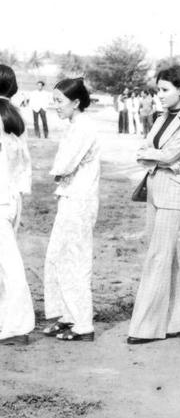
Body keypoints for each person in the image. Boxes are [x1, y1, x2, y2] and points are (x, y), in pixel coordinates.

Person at [127, 66, 180, 344]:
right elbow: (145, 149)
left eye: (164, 89)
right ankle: (175, 322)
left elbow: (169, 155)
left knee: (158, 256)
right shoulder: (160, 118)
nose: (159, 95)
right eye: (158, 89)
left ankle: (145, 328)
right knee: (164, 256)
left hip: (175, 195)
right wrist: (155, 156)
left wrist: (153, 156)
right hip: (156, 189)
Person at [41, 78, 100, 342]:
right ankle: (68, 316)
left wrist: (58, 173)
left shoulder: (84, 127)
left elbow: (64, 165)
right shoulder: (75, 125)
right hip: (70, 196)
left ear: (76, 102)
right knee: (59, 256)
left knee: (75, 260)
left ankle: (83, 324)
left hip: (80, 200)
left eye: (59, 101)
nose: (55, 106)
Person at [0, 65, 34, 346]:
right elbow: (24, 167)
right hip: (11, 198)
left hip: (2, 199)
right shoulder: (15, 118)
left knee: (9, 265)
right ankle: (10, 321)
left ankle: (18, 326)